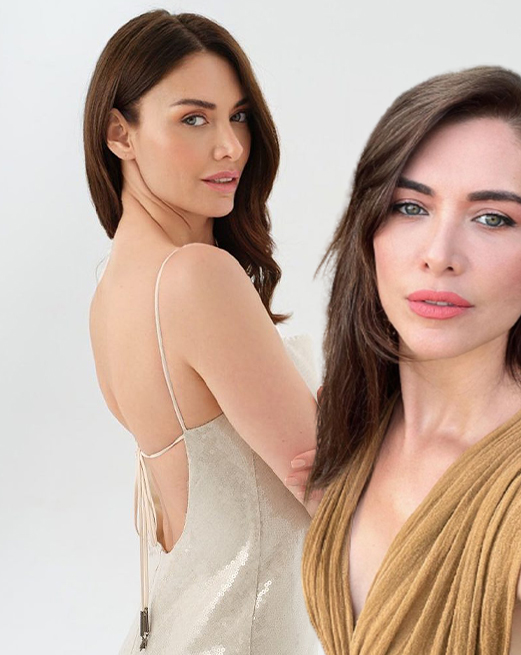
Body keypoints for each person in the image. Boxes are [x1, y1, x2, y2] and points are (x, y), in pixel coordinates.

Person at [302, 66, 521, 654]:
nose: (440, 254)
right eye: (410, 207)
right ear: (369, 229)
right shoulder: (357, 433)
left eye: (493, 218)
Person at [85, 10, 319, 654]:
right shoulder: (195, 278)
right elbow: (336, 495)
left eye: (238, 116)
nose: (230, 147)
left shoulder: (111, 296)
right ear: (119, 133)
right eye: (194, 118)